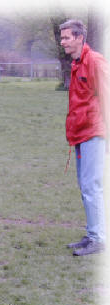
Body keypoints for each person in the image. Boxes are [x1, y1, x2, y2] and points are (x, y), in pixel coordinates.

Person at [60, 20, 109, 256]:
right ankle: (92, 234)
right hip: (80, 133)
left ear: (80, 38)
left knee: (92, 186)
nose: (63, 42)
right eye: (62, 37)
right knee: (85, 186)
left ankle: (99, 239)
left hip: (94, 132)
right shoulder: (76, 63)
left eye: (67, 37)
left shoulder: (95, 61)